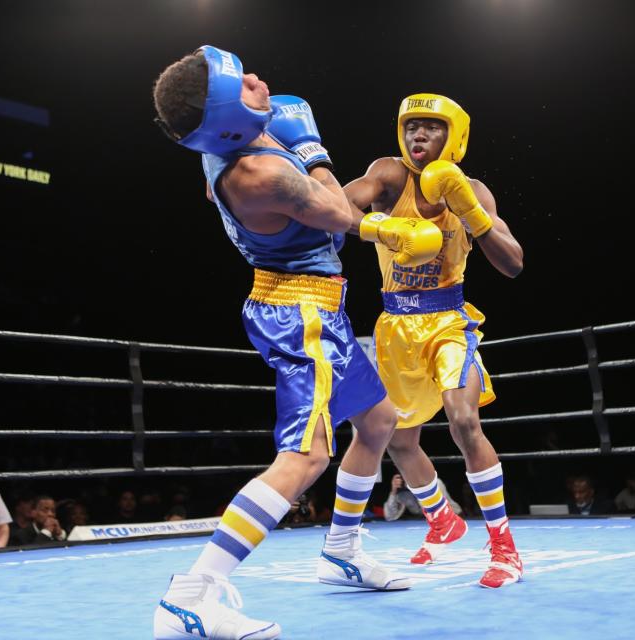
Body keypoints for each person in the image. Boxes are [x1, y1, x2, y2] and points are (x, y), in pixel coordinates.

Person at [151, 46, 441, 639]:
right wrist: (312, 150)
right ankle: (191, 595)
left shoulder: (219, 147)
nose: (260, 81)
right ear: (227, 114)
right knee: (307, 457)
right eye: (245, 85)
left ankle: (341, 551)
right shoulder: (262, 173)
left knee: (379, 420)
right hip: (299, 311)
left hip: (312, 304)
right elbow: (338, 212)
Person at [343, 94, 525, 588]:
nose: (418, 135)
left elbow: (513, 263)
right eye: (411, 126)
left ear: (454, 136)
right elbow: (334, 208)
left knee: (464, 419)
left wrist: (470, 212)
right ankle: (443, 519)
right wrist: (379, 227)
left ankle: (504, 548)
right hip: (395, 326)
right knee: (398, 440)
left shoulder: (474, 189)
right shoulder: (387, 174)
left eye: (431, 127)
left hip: (449, 320)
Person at [383, 472, 462, 521]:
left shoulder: (434, 484)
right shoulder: (403, 494)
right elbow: (389, 517)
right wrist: (393, 492)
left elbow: (435, 514)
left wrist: (412, 485)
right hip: (423, 524)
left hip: (454, 517)